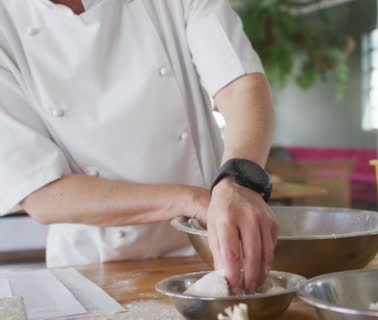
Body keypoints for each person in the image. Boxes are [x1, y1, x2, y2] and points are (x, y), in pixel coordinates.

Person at [0, 0, 278, 293]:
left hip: (212, 256)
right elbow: (44, 194)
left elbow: (241, 85)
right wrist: (192, 201)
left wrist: (238, 180)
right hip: (95, 271)